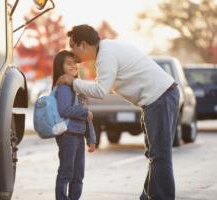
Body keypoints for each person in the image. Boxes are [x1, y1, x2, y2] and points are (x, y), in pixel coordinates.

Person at [57, 24, 180, 200]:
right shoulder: (108, 49)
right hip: (158, 99)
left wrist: (73, 82)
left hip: (160, 98)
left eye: (72, 46)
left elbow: (101, 90)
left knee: (160, 155)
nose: (71, 52)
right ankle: (148, 196)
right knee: (154, 154)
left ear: (83, 44)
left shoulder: (106, 54)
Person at [52, 50, 96, 200]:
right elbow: (64, 110)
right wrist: (84, 112)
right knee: (67, 172)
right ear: (60, 67)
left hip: (78, 136)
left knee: (78, 174)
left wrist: (91, 139)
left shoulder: (78, 88)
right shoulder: (64, 88)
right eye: (68, 63)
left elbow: (87, 117)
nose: (73, 66)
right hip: (67, 135)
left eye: (75, 63)